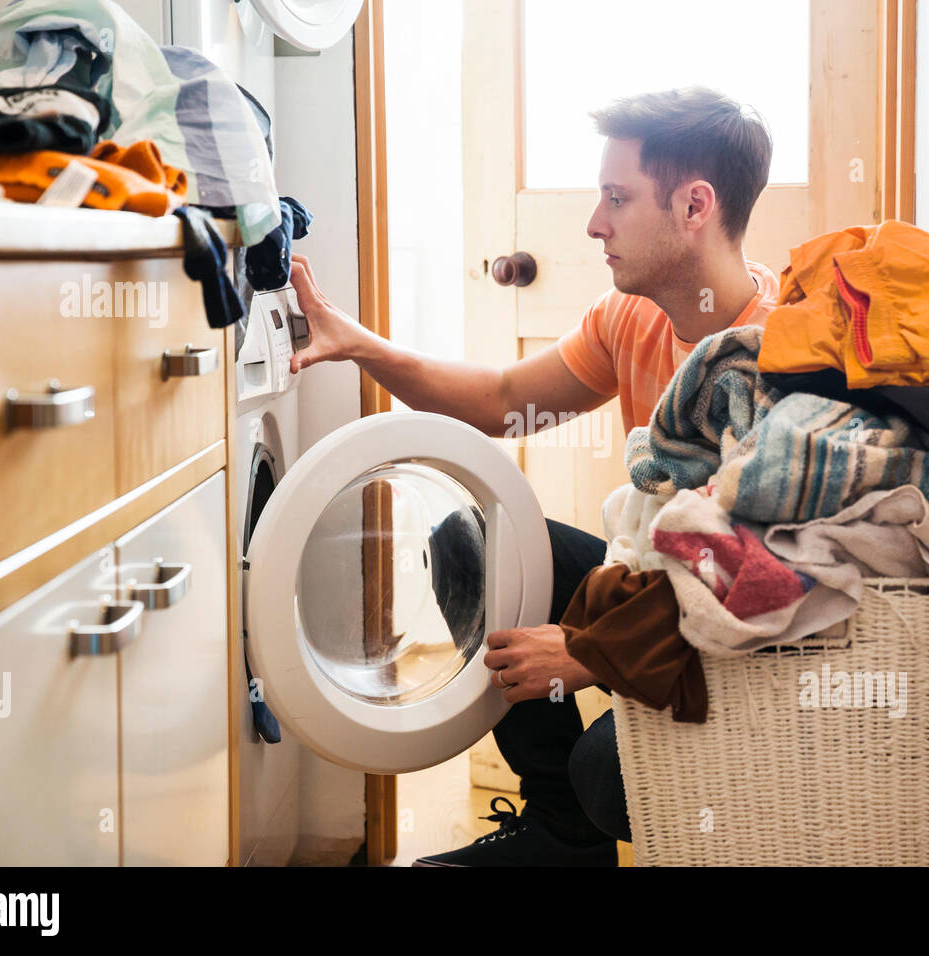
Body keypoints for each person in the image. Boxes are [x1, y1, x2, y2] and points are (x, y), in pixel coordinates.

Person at [287, 86, 780, 866]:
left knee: (608, 775)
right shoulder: (633, 317)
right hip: (651, 585)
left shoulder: (779, 356)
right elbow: (501, 400)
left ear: (695, 206)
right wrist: (362, 347)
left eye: (617, 199)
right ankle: (561, 839)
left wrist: (589, 651)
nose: (594, 224)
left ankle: (605, 808)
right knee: (472, 543)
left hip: (745, 636)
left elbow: (760, 583)